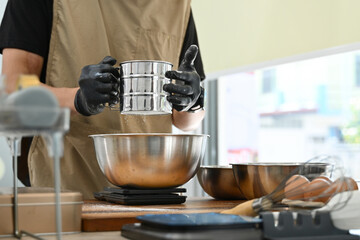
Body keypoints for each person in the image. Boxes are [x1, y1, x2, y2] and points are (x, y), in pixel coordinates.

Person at [0, 0, 206, 199]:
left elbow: (185, 122)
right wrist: (78, 99)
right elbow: (14, 91)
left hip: (152, 189)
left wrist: (192, 102)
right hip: (67, 184)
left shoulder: (177, 6)